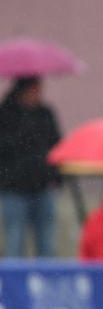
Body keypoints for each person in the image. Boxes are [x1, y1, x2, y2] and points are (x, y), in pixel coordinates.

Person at [0, 76, 61, 257]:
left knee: (46, 244)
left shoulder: (45, 113)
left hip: (42, 187)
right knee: (15, 241)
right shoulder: (5, 115)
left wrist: (57, 177)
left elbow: (56, 146)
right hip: (13, 189)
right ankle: (12, 284)